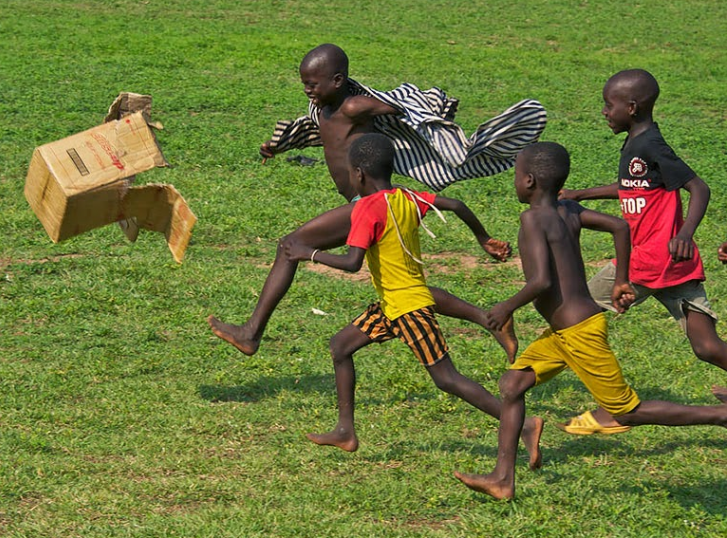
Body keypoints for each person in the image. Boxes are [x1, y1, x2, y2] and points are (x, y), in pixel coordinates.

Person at [208, 43, 547, 358]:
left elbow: (401, 109)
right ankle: (490, 319)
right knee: (407, 290)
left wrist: (430, 109)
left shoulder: (354, 105)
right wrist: (281, 145)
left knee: (290, 245)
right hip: (372, 200)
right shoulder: (323, 107)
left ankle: (252, 333)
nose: (307, 89)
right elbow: (328, 138)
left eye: (313, 83)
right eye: (304, 83)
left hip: (366, 203)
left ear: (338, 80)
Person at [454, 141, 727, 500]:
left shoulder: (532, 219)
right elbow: (619, 226)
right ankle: (502, 478)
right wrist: (621, 279)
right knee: (512, 385)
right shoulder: (568, 210)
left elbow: (541, 282)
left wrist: (507, 306)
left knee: (628, 412)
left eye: (517, 176)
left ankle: (721, 415)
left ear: (530, 180)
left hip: (578, 333)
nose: (516, 182)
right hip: (565, 331)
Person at [283, 133, 545, 463]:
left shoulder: (366, 209)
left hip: (408, 308)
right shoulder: (406, 197)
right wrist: (483, 238)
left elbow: (351, 263)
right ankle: (345, 431)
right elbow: (457, 205)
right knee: (340, 346)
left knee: (448, 379)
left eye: (351, 173)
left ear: (359, 174)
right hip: (392, 306)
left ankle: (524, 425)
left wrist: (310, 253)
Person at [559, 69, 727, 422]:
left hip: (651, 260)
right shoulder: (637, 141)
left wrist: (685, 234)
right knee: (707, 347)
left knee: (575, 312)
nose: (604, 112)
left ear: (631, 107)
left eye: (609, 105)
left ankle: (527, 378)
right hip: (669, 263)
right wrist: (581, 194)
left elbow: (699, 188)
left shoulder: (651, 144)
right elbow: (633, 187)